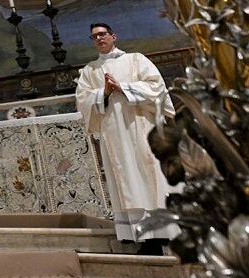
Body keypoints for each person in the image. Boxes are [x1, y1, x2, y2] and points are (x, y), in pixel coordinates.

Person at [75, 22, 175, 254]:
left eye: (102, 34)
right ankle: (138, 235)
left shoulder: (136, 60)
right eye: (94, 36)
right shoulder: (89, 71)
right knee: (128, 182)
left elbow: (157, 88)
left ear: (113, 36)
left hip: (142, 130)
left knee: (150, 180)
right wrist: (104, 93)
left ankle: (161, 234)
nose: (99, 38)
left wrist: (124, 87)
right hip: (115, 136)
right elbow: (83, 101)